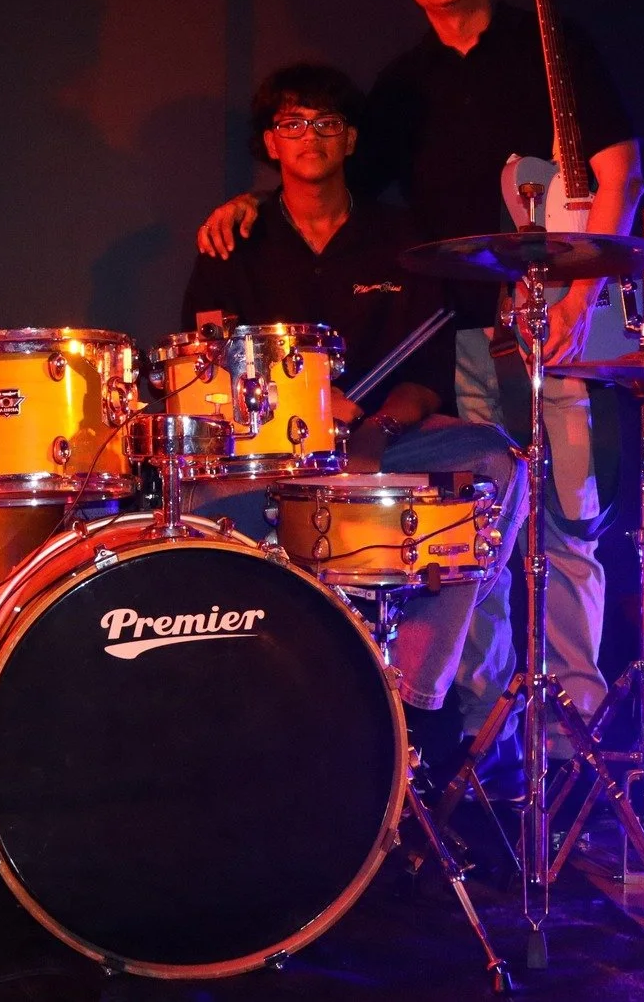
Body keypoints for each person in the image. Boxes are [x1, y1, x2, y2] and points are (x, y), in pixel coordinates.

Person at [196, 0, 644, 752]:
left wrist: (584, 300)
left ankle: (570, 724)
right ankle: (485, 734)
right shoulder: (402, 88)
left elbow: (620, 173)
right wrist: (256, 200)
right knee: (476, 529)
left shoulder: (549, 47)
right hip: (469, 334)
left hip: (565, 323)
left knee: (566, 526)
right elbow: (333, 174)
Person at [180, 62, 522, 768]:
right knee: (183, 503)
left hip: (383, 450)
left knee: (495, 462)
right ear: (271, 142)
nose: (310, 135)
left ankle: (415, 705)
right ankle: (230, 721)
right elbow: (204, 377)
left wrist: (375, 429)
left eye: (326, 122)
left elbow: (427, 381)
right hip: (270, 458)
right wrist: (304, 402)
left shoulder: (400, 238)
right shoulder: (232, 241)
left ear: (351, 139)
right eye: (292, 122)